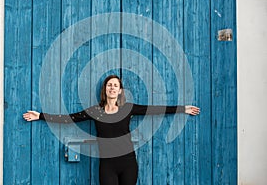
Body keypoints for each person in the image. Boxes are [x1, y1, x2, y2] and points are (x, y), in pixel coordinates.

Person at [23, 75, 200, 185]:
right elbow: (70, 118)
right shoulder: (95, 111)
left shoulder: (128, 109)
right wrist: (40, 115)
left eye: (116, 85)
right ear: (105, 90)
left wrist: (182, 109)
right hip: (108, 165)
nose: (112, 87)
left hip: (128, 164)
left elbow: (155, 109)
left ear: (120, 91)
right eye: (109, 85)